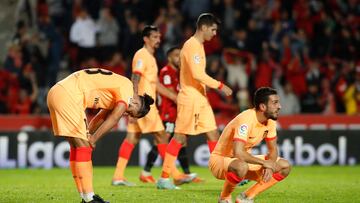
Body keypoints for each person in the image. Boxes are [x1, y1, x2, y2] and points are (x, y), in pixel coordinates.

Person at [47, 68, 154, 203]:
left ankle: (85, 197)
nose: (127, 114)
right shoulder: (128, 90)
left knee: (77, 146)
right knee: (84, 147)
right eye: (132, 112)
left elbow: (102, 117)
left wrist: (89, 133)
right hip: (69, 96)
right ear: (136, 103)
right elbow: (115, 118)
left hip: (58, 92)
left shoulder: (119, 90)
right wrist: (93, 139)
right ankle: (90, 198)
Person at [156, 13, 233, 189]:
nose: (214, 33)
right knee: (180, 137)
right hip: (190, 98)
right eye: (213, 29)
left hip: (200, 98)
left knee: (213, 134)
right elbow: (198, 74)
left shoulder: (197, 45)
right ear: (204, 28)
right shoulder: (192, 46)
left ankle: (226, 173)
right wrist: (221, 86)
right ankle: (164, 178)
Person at [112, 25, 192, 186]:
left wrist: (174, 97)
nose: (158, 40)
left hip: (141, 104)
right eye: (154, 37)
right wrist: (134, 102)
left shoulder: (150, 57)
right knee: (161, 136)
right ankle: (174, 174)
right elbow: (135, 77)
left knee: (131, 139)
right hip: (144, 105)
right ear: (146, 39)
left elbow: (154, 83)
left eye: (159, 37)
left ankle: (118, 176)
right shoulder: (142, 55)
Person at [208, 87, 291, 203]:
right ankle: (224, 198)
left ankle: (246, 197)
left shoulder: (271, 121)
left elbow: (273, 150)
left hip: (244, 162)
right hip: (220, 161)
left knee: (284, 166)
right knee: (241, 166)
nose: (279, 106)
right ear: (262, 107)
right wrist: (264, 163)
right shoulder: (246, 119)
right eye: (275, 103)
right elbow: (238, 152)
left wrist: (269, 166)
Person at [140, 47, 203, 183]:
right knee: (162, 141)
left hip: (177, 113)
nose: (179, 59)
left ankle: (186, 173)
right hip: (167, 113)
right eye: (176, 56)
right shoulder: (166, 72)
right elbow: (169, 92)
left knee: (181, 142)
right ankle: (148, 171)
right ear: (169, 58)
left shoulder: (178, 73)